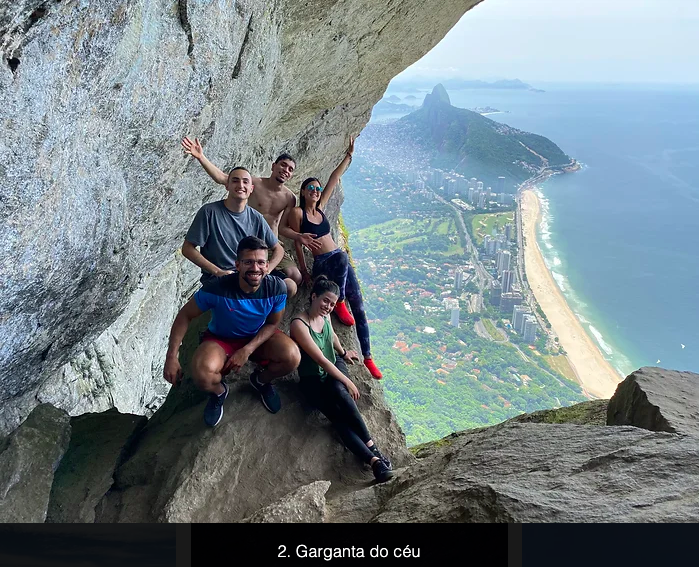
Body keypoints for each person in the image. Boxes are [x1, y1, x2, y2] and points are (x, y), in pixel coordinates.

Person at [163, 236, 301, 426]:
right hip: (221, 339)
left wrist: (247, 350)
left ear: (267, 265)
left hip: (256, 335)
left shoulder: (276, 288)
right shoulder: (218, 288)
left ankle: (260, 381)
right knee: (203, 375)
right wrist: (171, 356)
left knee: (292, 357)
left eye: (261, 262)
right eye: (248, 262)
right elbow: (185, 315)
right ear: (237, 264)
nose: (255, 268)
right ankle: (219, 392)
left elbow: (272, 324)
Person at [286, 137, 383, 380]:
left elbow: (333, 179)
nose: (316, 192)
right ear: (303, 192)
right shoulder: (298, 213)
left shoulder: (321, 207)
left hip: (339, 262)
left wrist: (348, 156)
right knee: (341, 255)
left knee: (359, 304)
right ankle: (338, 301)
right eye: (311, 189)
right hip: (324, 262)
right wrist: (304, 270)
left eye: (317, 189)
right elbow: (298, 241)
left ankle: (368, 357)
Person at [182, 137, 322, 297]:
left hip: (270, 243)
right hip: (248, 241)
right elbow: (222, 178)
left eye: (290, 169)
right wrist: (201, 157)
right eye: (283, 165)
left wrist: (295, 238)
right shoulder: (252, 183)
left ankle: (267, 300)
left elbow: (281, 227)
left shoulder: (289, 197)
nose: (286, 170)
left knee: (294, 278)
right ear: (273, 166)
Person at [290, 276, 393, 483]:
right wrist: (348, 381)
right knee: (337, 417)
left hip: (334, 364)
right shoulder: (299, 324)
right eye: (325, 301)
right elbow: (319, 360)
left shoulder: (325, 315)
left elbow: (333, 335)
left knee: (338, 392)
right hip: (313, 378)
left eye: (332, 304)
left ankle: (372, 446)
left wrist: (344, 352)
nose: (328, 307)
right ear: (313, 297)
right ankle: (374, 461)